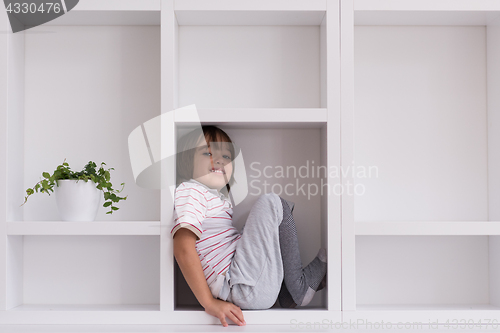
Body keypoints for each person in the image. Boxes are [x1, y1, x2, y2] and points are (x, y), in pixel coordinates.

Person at [171, 125, 327, 327]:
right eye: (208, 152)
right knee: (270, 203)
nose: (219, 159)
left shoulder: (215, 198)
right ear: (186, 160)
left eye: (226, 156)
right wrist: (208, 303)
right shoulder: (190, 190)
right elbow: (182, 248)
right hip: (239, 286)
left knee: (257, 225)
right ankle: (300, 287)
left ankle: (287, 293)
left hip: (243, 285)